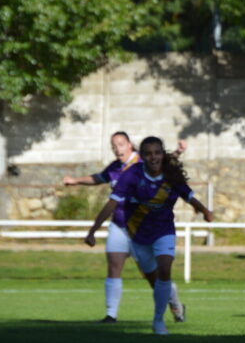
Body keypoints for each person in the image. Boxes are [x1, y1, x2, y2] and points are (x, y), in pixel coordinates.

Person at [86, 136, 213, 335]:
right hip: (137, 233)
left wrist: (205, 211)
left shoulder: (171, 174)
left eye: (157, 153)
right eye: (148, 154)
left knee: (165, 268)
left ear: (162, 154)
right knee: (153, 279)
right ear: (142, 156)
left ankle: (158, 321)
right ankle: (171, 303)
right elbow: (112, 203)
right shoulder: (132, 174)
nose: (153, 157)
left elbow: (188, 195)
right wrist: (93, 230)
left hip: (163, 230)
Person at [66, 132, 188, 323]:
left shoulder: (143, 161)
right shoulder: (115, 167)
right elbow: (99, 177)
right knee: (114, 266)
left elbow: (164, 161)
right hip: (119, 225)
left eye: (120, 144)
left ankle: (175, 304)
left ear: (130, 145)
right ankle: (111, 314)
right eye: (113, 145)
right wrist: (75, 181)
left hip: (143, 228)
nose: (117, 149)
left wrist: (178, 152)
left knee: (153, 277)